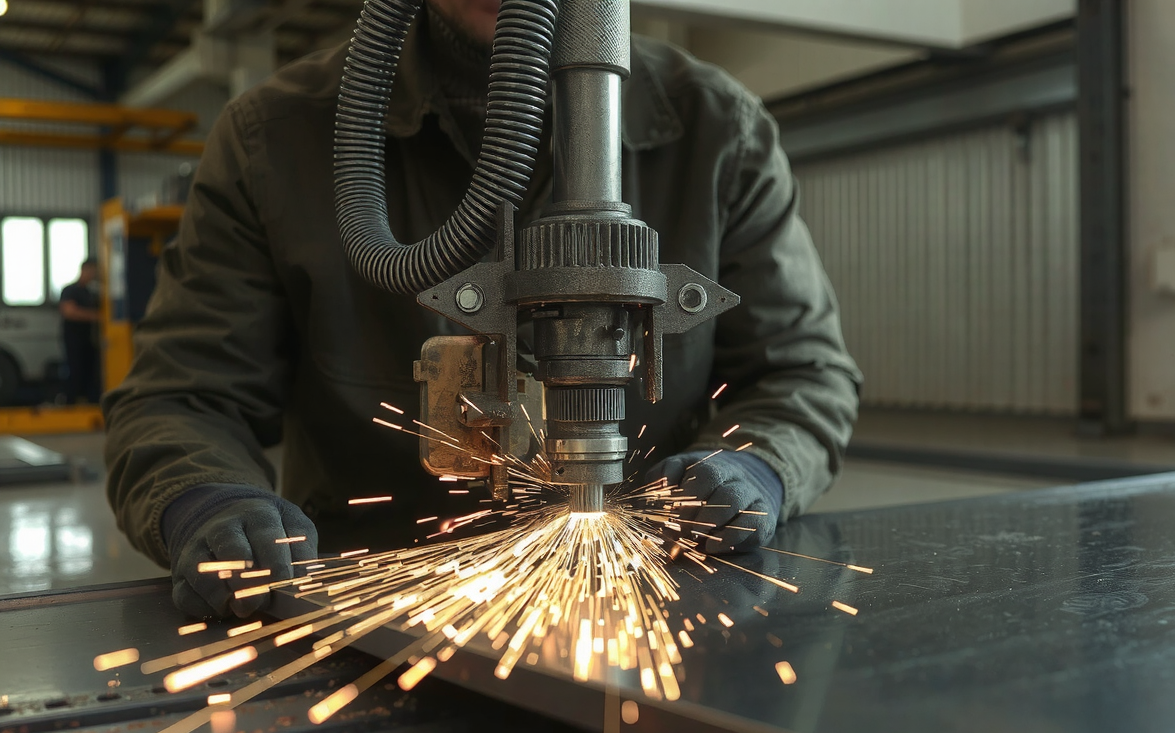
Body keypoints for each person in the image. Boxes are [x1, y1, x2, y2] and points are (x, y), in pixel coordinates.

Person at [103, 0, 861, 619]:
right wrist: (202, 497)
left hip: (655, 596)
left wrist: (759, 465)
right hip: (372, 607)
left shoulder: (716, 130)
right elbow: (184, 395)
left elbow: (803, 372)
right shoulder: (276, 139)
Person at [59, 260, 101, 404]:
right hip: (73, 338)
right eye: (92, 271)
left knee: (89, 371)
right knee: (74, 370)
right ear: (84, 270)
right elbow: (69, 311)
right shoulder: (70, 290)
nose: (93, 275)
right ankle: (70, 402)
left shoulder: (89, 293)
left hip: (88, 339)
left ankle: (88, 400)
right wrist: (97, 316)